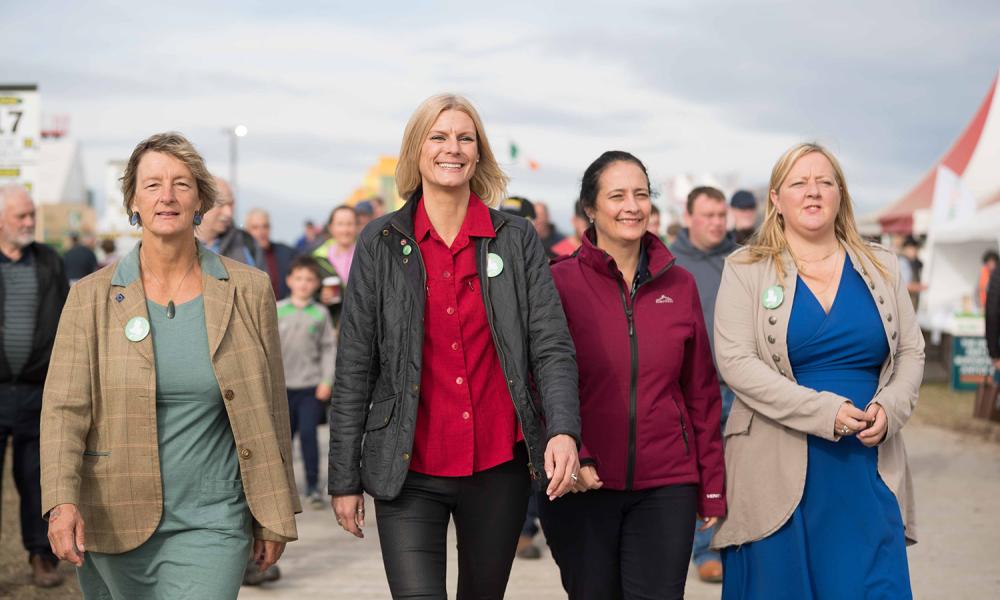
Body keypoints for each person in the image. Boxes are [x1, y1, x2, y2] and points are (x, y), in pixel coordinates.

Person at [329, 93, 580, 600]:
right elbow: (355, 364)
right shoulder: (379, 242)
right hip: (407, 466)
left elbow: (550, 345)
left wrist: (563, 430)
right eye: (438, 137)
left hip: (498, 466)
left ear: (480, 153)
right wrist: (343, 478)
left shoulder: (515, 237)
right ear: (416, 151)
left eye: (466, 138)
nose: (453, 148)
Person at [41, 132, 300, 599]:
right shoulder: (90, 297)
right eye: (153, 184)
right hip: (115, 512)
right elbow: (64, 410)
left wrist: (274, 511)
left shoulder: (249, 289)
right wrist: (60, 502)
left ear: (201, 200)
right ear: (133, 201)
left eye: (182, 184)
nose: (167, 196)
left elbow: (270, 406)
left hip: (215, 517)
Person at [713, 142, 924, 599]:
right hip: (775, 462)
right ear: (776, 198)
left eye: (825, 182)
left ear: (840, 194)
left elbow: (911, 351)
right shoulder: (745, 269)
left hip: (866, 461)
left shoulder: (882, 265)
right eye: (799, 183)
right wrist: (823, 412)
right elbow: (736, 363)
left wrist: (890, 409)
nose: (813, 192)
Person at [541, 151, 726, 600]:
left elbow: (700, 391)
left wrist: (713, 485)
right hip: (583, 484)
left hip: (667, 483)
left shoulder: (679, 285)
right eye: (617, 195)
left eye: (641, 194)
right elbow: (538, 381)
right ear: (590, 208)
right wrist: (576, 456)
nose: (632, 206)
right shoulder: (557, 283)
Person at [670, 185, 739, 583]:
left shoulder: (739, 260)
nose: (716, 223)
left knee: (736, 466)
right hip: (689, 384)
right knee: (700, 466)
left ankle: (732, 541)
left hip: (736, 384)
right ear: (690, 216)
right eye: (708, 215)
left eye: (720, 215)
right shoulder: (671, 261)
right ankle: (703, 548)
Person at [0, 184, 68, 588]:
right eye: (21, 216)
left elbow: (64, 318)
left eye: (31, 215)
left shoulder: (48, 261)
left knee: (37, 480)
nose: (29, 223)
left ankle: (42, 556)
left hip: (36, 393)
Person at [277, 255, 336, 509]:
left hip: (311, 387)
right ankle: (281, 490)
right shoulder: (277, 309)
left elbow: (328, 349)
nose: (303, 283)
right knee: (283, 440)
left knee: (309, 436)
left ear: (316, 284)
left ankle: (313, 487)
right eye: (299, 278)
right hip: (282, 388)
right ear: (290, 280)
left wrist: (327, 380)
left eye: (309, 279)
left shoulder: (320, 314)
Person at [196, 177, 264, 268]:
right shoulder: (177, 243)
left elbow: (264, 281)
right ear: (201, 204)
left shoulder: (247, 243)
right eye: (221, 204)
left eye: (231, 204)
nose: (228, 213)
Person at [308, 204, 358, 324]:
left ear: (356, 226)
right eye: (340, 224)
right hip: (328, 325)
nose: (345, 230)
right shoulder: (317, 258)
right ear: (331, 228)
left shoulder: (367, 255)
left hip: (361, 326)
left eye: (350, 224)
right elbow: (307, 293)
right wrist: (320, 296)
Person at [245, 208, 296, 300]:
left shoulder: (286, 253)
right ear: (247, 231)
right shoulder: (241, 256)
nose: (261, 232)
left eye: (265, 226)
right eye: (255, 228)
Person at [897, 236, 926, 309]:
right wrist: (922, 287)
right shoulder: (903, 262)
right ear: (906, 248)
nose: (915, 251)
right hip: (905, 305)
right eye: (912, 248)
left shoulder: (913, 263)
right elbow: (905, 285)